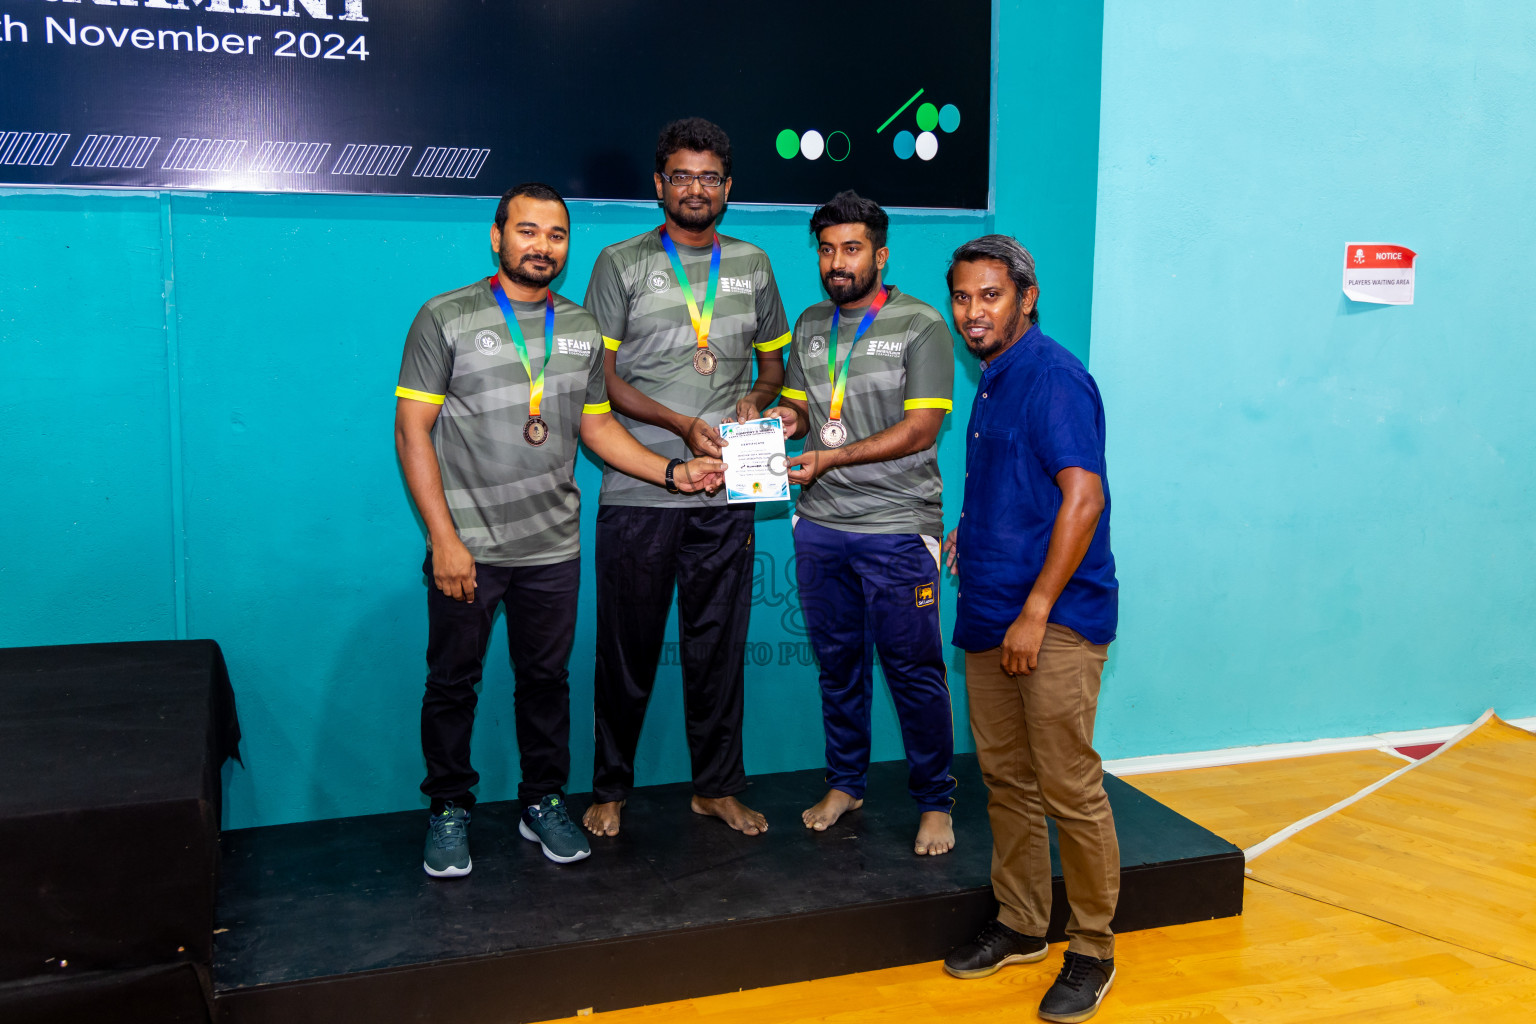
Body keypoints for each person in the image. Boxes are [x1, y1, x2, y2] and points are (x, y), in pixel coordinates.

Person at [394, 182, 724, 878]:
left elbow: (597, 427)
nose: (542, 246)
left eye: (555, 235)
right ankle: (448, 808)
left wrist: (673, 474)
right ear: (497, 236)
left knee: (545, 682)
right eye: (528, 231)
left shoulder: (578, 330)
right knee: (453, 683)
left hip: (553, 548)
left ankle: (542, 800)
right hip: (470, 550)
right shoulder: (445, 317)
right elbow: (412, 432)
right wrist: (445, 540)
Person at [580, 118, 789, 839]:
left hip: (730, 490)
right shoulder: (620, 263)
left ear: (726, 188)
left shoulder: (755, 265)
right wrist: (678, 424)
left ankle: (717, 788)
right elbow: (598, 377)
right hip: (641, 490)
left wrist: (754, 403)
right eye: (681, 175)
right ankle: (610, 789)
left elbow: (774, 367)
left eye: (709, 177)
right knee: (625, 654)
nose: (695, 188)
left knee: (717, 648)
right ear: (659, 184)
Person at [939, 235, 1120, 1022]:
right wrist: (971, 534)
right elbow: (1027, 491)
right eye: (963, 298)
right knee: (1007, 782)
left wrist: (1037, 610)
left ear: (1026, 297)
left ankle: (1093, 949)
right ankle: (1021, 924)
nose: (973, 313)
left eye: (990, 296)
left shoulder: (1051, 377)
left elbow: (1084, 499)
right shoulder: (992, 380)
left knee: (1070, 789)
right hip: (989, 613)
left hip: (1051, 622)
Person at [763, 191, 957, 856]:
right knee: (838, 666)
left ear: (880, 253)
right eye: (827, 249)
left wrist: (832, 455)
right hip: (820, 525)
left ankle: (936, 801)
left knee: (913, 670)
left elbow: (921, 426)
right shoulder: (813, 324)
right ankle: (846, 782)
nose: (837, 262)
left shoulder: (921, 324)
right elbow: (798, 410)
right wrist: (773, 425)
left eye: (851, 249)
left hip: (898, 526)